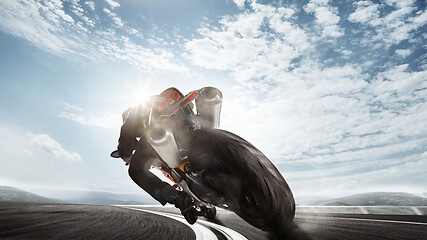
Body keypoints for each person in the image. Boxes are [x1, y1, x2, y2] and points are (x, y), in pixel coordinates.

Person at [112, 87, 198, 224]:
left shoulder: (136, 112)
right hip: (189, 130)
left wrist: (125, 155)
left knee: (136, 171)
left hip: (160, 132)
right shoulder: (158, 101)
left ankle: (179, 198)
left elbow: (126, 137)